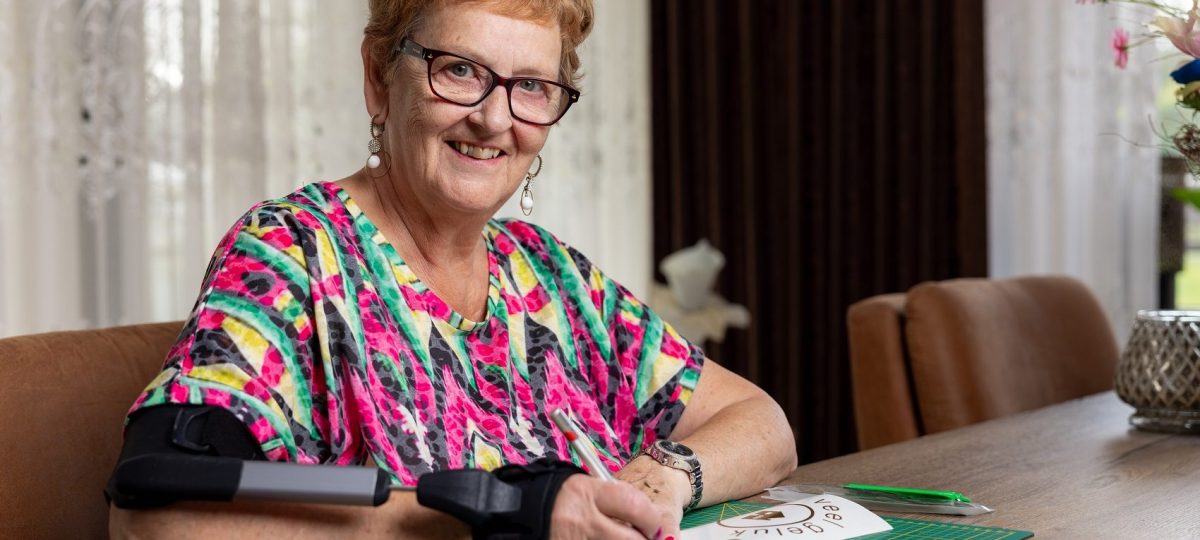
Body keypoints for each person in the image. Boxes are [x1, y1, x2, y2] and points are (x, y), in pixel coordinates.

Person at [108, 0, 796, 538]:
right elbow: (157, 516)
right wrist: (495, 517)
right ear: (379, 75)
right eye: (459, 69)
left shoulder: (553, 279)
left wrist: (663, 477)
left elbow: (762, 424)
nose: (495, 119)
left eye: (531, 86)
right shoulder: (293, 255)